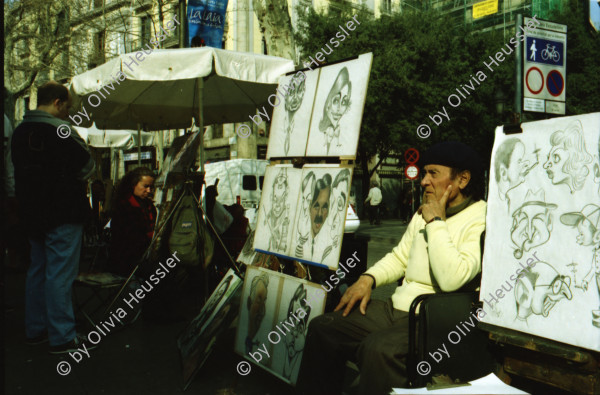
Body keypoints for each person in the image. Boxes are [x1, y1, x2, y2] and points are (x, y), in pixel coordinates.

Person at [296, 141, 487, 395]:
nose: (423, 181)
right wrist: (368, 279)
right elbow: (400, 257)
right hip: (395, 309)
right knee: (324, 327)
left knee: (379, 350)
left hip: (437, 320)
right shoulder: (423, 214)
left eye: (433, 173)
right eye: (424, 173)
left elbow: (453, 279)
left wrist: (437, 222)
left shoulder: (481, 218)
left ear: (462, 179)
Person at [11, 81, 95, 353]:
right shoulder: (61, 131)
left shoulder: (19, 132)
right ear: (58, 102)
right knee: (60, 273)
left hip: (31, 213)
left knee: (38, 270)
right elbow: (87, 166)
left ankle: (36, 329)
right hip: (64, 210)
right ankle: (62, 336)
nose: (67, 112)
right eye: (67, 106)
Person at [107, 167, 157, 277]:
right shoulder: (124, 206)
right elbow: (129, 238)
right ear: (133, 185)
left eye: (151, 187)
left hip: (143, 256)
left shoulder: (149, 205)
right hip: (127, 260)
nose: (149, 190)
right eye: (145, 186)